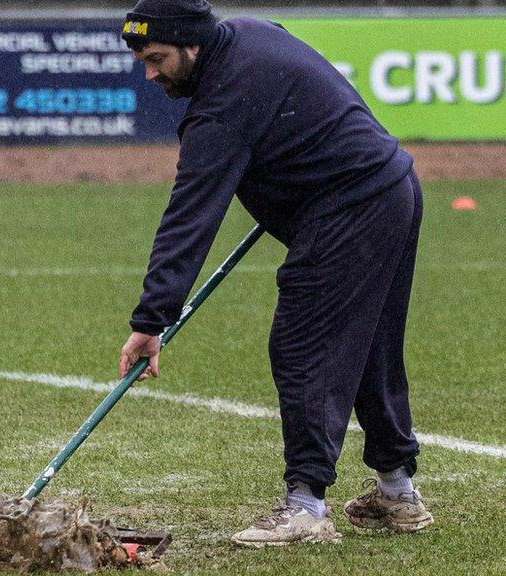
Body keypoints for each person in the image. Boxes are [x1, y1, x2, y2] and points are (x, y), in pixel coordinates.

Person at [117, 0, 434, 547]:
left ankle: (306, 506)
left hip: (350, 207)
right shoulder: (251, 34)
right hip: (391, 186)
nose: (149, 73)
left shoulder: (221, 110)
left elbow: (190, 219)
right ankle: (397, 493)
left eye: (158, 57)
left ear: (193, 44)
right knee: (368, 346)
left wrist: (152, 320)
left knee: (303, 345)